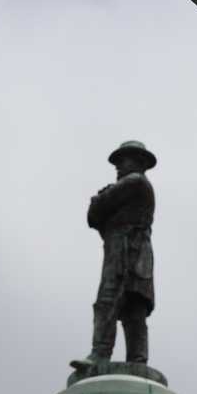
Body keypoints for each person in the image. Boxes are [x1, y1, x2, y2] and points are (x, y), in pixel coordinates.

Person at [71, 140, 156, 369]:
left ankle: (105, 354)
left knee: (124, 304)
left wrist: (100, 201)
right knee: (119, 304)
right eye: (116, 162)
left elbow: (99, 206)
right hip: (120, 250)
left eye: (123, 160)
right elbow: (93, 217)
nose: (118, 166)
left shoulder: (136, 182)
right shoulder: (130, 185)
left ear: (139, 162)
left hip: (132, 252)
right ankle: (127, 358)